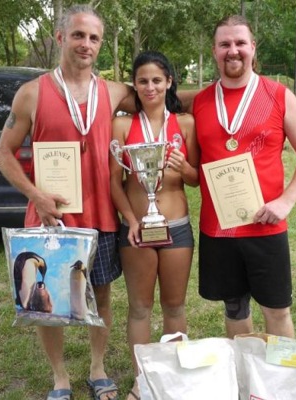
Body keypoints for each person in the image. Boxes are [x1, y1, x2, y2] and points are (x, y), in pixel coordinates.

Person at [0, 5, 134, 400]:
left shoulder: (114, 92)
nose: (85, 44)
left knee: (101, 293)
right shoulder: (32, 93)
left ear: (100, 44)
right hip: (50, 216)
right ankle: (60, 377)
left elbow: (159, 92)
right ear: (60, 38)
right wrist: (35, 195)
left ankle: (97, 367)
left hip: (101, 215)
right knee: (46, 299)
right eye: (78, 35)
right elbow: (4, 153)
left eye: (93, 38)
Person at [192, 15, 296, 339]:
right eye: (224, 44)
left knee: (277, 310)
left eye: (240, 43)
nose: (233, 50)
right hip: (218, 227)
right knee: (234, 307)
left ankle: (278, 372)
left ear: (253, 47)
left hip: (265, 224)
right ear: (214, 50)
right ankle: (246, 368)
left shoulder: (278, 95)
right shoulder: (200, 101)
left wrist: (287, 201)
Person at [109, 50, 198, 400]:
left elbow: (195, 179)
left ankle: (173, 379)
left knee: (174, 306)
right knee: (140, 307)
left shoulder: (186, 124)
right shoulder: (121, 125)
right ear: (135, 84)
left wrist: (183, 166)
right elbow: (115, 182)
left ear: (169, 82)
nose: (150, 87)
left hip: (177, 226)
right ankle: (142, 381)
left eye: (157, 80)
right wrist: (130, 221)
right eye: (143, 81)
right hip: (136, 230)